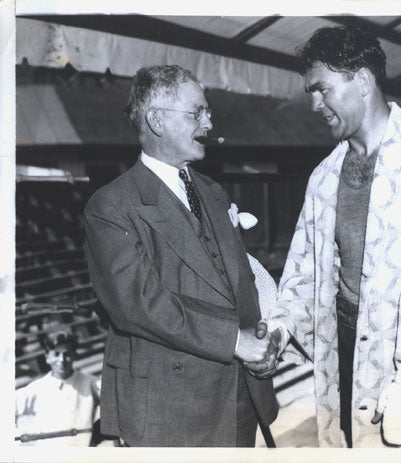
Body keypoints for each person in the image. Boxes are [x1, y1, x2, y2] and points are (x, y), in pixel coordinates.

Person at [264, 26, 401, 448]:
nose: (315, 105)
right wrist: (280, 328)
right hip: (344, 357)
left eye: (321, 89)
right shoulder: (324, 176)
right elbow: (304, 273)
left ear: (362, 81)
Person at [83, 65, 278, 447]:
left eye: (207, 111)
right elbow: (137, 306)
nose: (209, 122)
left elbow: (239, 284)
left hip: (239, 396)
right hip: (170, 411)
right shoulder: (110, 206)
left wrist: (262, 343)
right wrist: (236, 342)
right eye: (197, 112)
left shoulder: (212, 191)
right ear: (156, 120)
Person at [15, 328, 100, 447]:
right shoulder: (38, 388)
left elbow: (115, 403)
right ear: (47, 357)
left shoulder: (90, 383)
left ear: (74, 355)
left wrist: (98, 433)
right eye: (56, 354)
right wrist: (17, 437)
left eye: (67, 354)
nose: (61, 360)